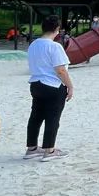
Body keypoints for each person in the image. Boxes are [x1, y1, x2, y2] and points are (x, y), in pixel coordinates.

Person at [26, 15, 74, 161]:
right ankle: (49, 150)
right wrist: (70, 86)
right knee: (53, 118)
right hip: (52, 85)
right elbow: (60, 70)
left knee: (35, 117)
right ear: (57, 29)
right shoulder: (54, 46)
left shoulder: (33, 44)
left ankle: (32, 148)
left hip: (36, 84)